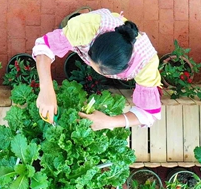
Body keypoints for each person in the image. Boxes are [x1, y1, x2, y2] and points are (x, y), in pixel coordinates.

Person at [32, 8, 162, 130]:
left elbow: (149, 113)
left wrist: (109, 122)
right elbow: (44, 45)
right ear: (91, 46)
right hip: (93, 23)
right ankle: (82, 13)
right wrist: (46, 89)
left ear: (124, 69)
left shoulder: (146, 64)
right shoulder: (86, 27)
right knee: (69, 29)